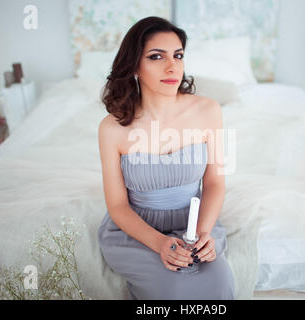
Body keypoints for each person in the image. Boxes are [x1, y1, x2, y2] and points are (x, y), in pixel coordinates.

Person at [97, 16, 235, 300]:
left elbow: (215, 184)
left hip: (194, 224)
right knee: (173, 289)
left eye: (178, 55)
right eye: (156, 57)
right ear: (135, 65)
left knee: (219, 285)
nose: (172, 66)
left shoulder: (209, 110)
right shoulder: (111, 129)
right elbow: (118, 206)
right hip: (139, 232)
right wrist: (160, 243)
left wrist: (202, 233)